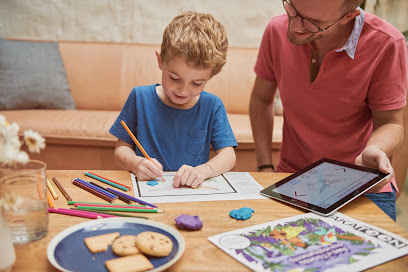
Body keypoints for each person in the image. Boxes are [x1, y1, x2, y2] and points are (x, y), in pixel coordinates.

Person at [249, 0, 407, 220]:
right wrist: (265, 166)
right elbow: (261, 99)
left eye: (313, 23)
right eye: (292, 9)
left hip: (361, 185)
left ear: (348, 17)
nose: (295, 26)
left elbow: (392, 122)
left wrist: (375, 148)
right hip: (293, 178)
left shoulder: (387, 43)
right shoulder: (276, 30)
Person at [110, 11, 237, 189]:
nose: (183, 90)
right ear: (161, 61)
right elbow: (121, 149)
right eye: (174, 78)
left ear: (212, 75)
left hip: (192, 194)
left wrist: (204, 170)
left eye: (197, 83)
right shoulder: (140, 98)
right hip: (149, 191)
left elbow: (228, 155)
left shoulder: (212, 105)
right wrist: (136, 164)